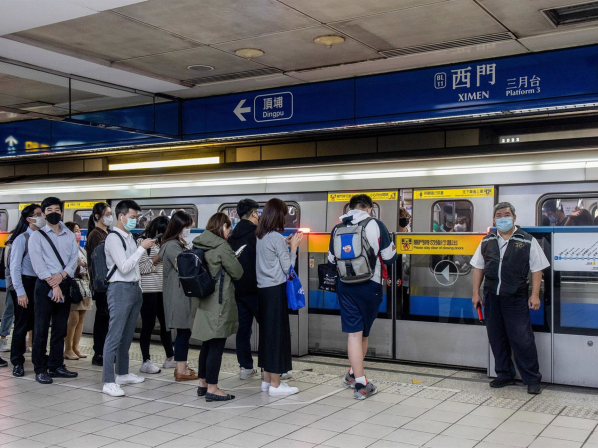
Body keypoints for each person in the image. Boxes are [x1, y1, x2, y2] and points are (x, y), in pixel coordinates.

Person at [471, 202, 550, 395]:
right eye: (498, 215)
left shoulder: (527, 240)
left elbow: (537, 269)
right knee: (496, 337)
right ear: (493, 219)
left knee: (522, 339)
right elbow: (478, 268)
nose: (502, 218)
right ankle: (504, 374)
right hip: (492, 296)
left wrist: (534, 295)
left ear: (514, 218)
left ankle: (532, 379)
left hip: (515, 297)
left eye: (506, 214)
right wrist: (475, 293)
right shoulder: (487, 241)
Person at [327, 194, 397, 399]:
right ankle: (361, 384)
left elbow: (331, 261)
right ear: (369, 208)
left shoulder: (338, 228)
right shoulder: (376, 224)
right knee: (363, 334)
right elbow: (389, 258)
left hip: (345, 286)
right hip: (370, 285)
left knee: (354, 335)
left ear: (350, 208)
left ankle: (353, 375)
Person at [102, 200, 155, 397]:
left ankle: (122, 373)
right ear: (121, 216)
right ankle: (108, 381)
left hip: (134, 288)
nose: (135, 220)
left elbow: (135, 268)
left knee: (127, 334)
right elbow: (124, 267)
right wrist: (142, 249)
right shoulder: (113, 238)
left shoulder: (130, 238)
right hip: (119, 289)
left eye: (136, 217)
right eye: (132, 217)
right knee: (114, 335)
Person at [192, 212, 243, 401]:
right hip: (219, 302)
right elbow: (237, 272)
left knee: (207, 342)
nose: (229, 232)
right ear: (223, 227)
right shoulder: (222, 246)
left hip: (204, 299)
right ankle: (213, 388)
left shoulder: (199, 243)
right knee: (216, 344)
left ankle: (203, 383)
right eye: (229, 228)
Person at [28, 197, 79, 384]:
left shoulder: (69, 235)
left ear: (62, 213)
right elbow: (38, 264)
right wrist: (54, 284)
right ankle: (40, 368)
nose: (53, 213)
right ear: (43, 214)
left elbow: (73, 258)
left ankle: (56, 365)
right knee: (41, 329)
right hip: (45, 286)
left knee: (60, 328)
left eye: (57, 210)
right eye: (49, 210)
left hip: (63, 282)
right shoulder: (37, 236)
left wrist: (63, 275)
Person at [256, 198, 301, 397]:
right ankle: (276, 384)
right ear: (278, 215)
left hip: (263, 291)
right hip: (276, 290)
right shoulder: (275, 237)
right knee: (277, 336)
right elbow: (288, 269)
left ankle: (266, 381)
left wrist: (285, 244)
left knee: (267, 335)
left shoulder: (261, 236)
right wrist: (294, 248)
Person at [159, 211, 198, 382]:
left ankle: (181, 367)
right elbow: (185, 265)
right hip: (177, 295)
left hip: (180, 294)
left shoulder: (177, 244)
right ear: (179, 226)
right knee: (183, 331)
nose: (189, 229)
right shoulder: (172, 246)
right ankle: (181, 369)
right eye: (187, 226)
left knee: (184, 331)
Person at [7, 204, 43, 376]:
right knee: (22, 324)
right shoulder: (22, 239)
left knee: (39, 324)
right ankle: (17, 361)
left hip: (40, 283)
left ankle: (39, 358)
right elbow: (14, 267)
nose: (42, 217)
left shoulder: (43, 237)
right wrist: (20, 292)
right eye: (38, 214)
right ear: (29, 219)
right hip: (25, 283)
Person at [137, 216, 174, 374]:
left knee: (166, 324)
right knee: (148, 324)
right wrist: (159, 257)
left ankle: (170, 357)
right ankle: (146, 360)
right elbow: (142, 268)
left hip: (162, 289)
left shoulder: (161, 244)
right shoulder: (143, 243)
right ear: (158, 229)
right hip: (148, 290)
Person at [228, 198, 260, 380]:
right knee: (267, 328)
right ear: (254, 213)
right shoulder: (257, 234)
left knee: (243, 330)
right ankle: (268, 368)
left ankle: (245, 367)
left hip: (238, 290)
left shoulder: (232, 235)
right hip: (257, 289)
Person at [86, 202, 113, 367]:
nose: (110, 217)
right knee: (103, 318)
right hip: (101, 282)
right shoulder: (95, 235)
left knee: (107, 318)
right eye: (107, 214)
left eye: (111, 214)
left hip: (109, 281)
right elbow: (101, 260)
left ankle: (105, 351)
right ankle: (99, 353)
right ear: (97, 216)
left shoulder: (107, 233)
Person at [63, 222, 93, 360]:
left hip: (84, 284)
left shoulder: (81, 249)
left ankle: (75, 347)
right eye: (75, 231)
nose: (78, 233)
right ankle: (68, 348)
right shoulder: (66, 248)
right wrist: (79, 264)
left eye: (78, 230)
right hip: (73, 285)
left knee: (81, 318)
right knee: (73, 318)